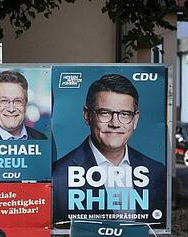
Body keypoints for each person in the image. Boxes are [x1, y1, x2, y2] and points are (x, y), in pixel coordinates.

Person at [52, 74, 166, 224]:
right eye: (105, 113)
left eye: (125, 114)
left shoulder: (156, 172)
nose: (115, 123)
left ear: (135, 120)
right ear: (87, 115)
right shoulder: (58, 177)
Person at [0, 70, 48, 140]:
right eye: (4, 101)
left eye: (18, 101)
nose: (11, 109)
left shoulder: (41, 139)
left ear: (25, 104)